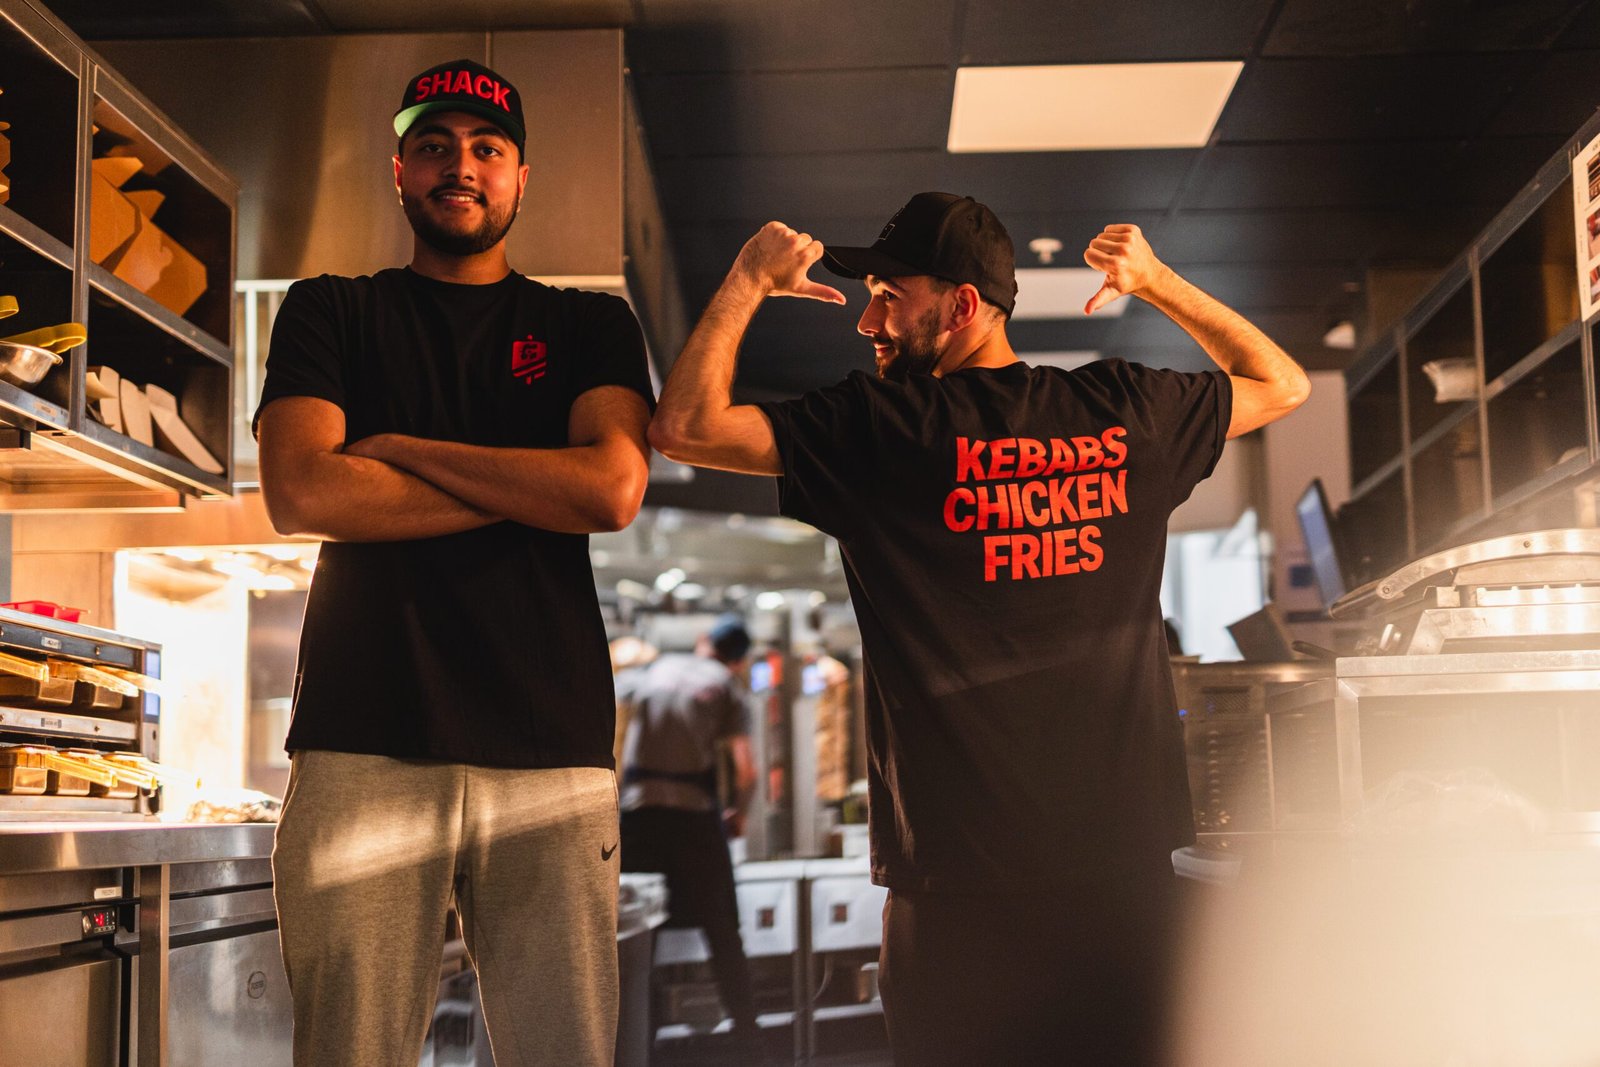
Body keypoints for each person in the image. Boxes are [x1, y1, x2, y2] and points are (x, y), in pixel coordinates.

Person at [648, 192, 1309, 1064]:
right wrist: (1155, 282)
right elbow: (1283, 383)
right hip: (1122, 890)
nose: (869, 323)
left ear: (962, 305)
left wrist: (747, 281)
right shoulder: (1123, 411)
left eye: (891, 297)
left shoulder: (880, 431)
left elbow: (684, 427)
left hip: (956, 894)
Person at [254, 57, 654, 1067]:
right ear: (399, 171)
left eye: (486, 148)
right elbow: (303, 492)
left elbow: (610, 490)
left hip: (550, 747)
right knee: (349, 1052)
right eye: (433, 146)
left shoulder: (586, 324)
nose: (459, 166)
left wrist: (395, 450)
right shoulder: (330, 310)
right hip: (363, 738)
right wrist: (536, 483)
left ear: (521, 176)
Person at [615, 615, 761, 1047]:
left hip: (638, 817)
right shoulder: (728, 685)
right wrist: (739, 815)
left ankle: (636, 1046)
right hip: (693, 819)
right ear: (739, 661)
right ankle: (750, 1045)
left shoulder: (656, 669)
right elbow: (748, 771)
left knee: (639, 935)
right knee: (724, 932)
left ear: (703, 641)